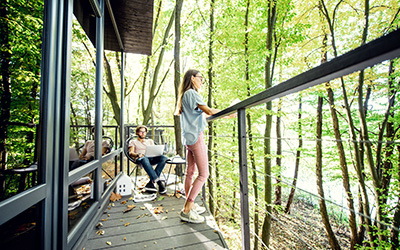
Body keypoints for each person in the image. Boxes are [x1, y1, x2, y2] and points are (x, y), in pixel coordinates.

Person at [175, 69, 234, 223]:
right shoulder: (192, 94)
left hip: (188, 138)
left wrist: (226, 114)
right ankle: (187, 209)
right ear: (192, 78)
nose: (202, 81)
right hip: (196, 137)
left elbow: (204, 114)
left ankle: (191, 205)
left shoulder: (184, 95)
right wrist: (230, 111)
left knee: (190, 172)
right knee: (203, 174)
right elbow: (207, 110)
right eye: (200, 78)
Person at [128, 125, 168, 194]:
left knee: (164, 158)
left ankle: (150, 183)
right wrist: (138, 154)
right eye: (141, 132)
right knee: (144, 158)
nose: (143, 133)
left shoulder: (150, 141)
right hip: (141, 158)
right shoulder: (133, 142)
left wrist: (161, 152)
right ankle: (159, 183)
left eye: (144, 132)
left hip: (151, 158)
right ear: (137, 132)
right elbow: (131, 152)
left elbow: (154, 150)